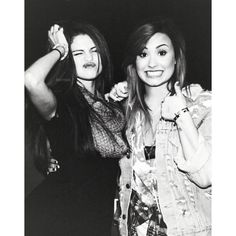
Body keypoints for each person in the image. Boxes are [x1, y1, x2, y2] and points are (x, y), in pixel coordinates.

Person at [108, 18, 211, 236]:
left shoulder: (201, 106)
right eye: (143, 54)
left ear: (176, 58)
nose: (152, 63)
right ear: (134, 62)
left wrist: (182, 115)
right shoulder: (126, 114)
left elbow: (206, 177)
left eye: (162, 52)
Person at [25, 21, 129, 236]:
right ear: (68, 60)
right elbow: (31, 80)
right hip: (58, 216)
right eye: (78, 53)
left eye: (94, 51)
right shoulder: (60, 101)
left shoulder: (113, 106)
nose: (89, 58)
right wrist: (59, 49)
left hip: (97, 216)